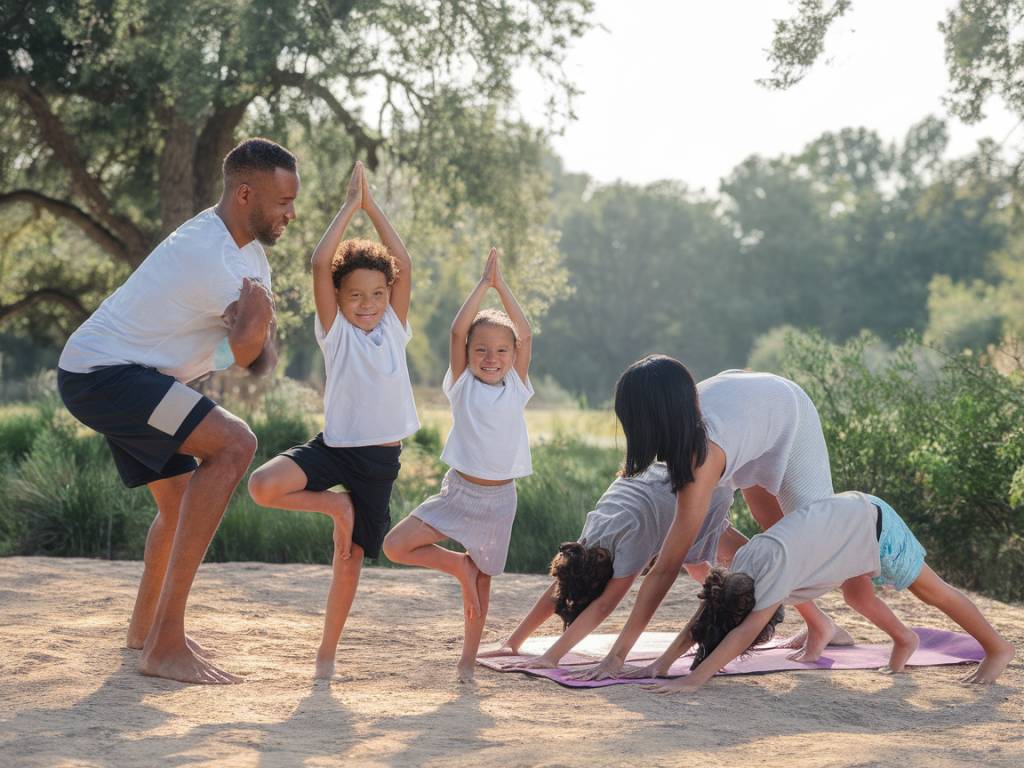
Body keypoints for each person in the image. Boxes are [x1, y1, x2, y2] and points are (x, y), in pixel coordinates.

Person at [57, 137, 298, 684]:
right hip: (106, 377)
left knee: (181, 500)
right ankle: (164, 644)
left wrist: (256, 322)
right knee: (236, 444)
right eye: (283, 201)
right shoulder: (209, 255)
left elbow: (256, 353)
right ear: (244, 193)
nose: (292, 213)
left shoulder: (249, 254)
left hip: (130, 379)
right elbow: (244, 352)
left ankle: (146, 632)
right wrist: (256, 320)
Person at [247, 161, 418, 679]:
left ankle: (326, 654)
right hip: (334, 446)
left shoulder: (394, 328)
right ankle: (335, 507)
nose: (367, 305)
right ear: (339, 300)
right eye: (355, 296)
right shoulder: (335, 332)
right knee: (261, 485)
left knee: (350, 563)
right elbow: (322, 263)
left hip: (378, 461)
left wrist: (374, 207)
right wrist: (349, 208)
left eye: (377, 294)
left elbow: (403, 263)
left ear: (388, 298)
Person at [576, 358, 847, 681]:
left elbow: (665, 568)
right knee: (760, 535)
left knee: (808, 535)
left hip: (786, 411)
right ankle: (821, 623)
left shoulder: (700, 459)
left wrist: (616, 657)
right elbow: (675, 555)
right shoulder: (683, 432)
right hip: (748, 410)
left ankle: (834, 618)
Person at [621, 492, 1015, 692]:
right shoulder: (740, 568)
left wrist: (695, 679)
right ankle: (905, 640)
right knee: (857, 598)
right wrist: (662, 663)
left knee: (933, 592)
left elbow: (741, 632)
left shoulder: (771, 575)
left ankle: (997, 647)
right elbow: (707, 617)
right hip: (847, 522)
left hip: (875, 527)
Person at [382, 247, 533, 682]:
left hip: (500, 499)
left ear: (512, 354)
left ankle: (467, 661)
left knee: (483, 587)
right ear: (467, 354)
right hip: (459, 493)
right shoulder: (462, 384)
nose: (491, 357)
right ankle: (458, 566)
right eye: (481, 349)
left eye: (501, 350)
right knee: (396, 546)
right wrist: (482, 286)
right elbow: (456, 330)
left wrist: (502, 288)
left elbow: (525, 334)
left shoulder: (517, 388)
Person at [478, 463, 747, 669]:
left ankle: (757, 593)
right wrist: (513, 643)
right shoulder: (585, 546)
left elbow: (605, 605)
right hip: (669, 479)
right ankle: (764, 585)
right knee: (700, 560)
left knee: (700, 557)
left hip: (701, 490)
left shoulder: (631, 542)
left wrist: (553, 657)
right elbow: (560, 589)